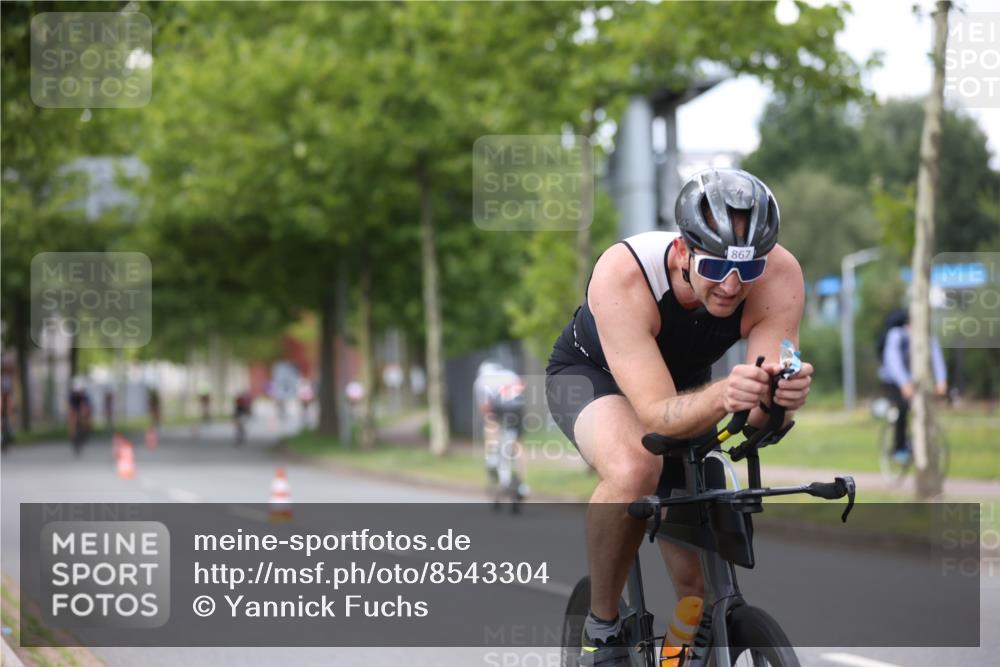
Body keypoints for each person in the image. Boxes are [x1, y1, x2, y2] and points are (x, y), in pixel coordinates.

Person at [545, 168, 813, 665]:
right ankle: (600, 629)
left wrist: (778, 399)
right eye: (714, 270)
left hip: (685, 385)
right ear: (682, 251)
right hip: (590, 375)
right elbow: (657, 417)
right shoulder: (623, 274)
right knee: (634, 468)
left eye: (748, 270)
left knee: (694, 585)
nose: (732, 287)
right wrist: (724, 395)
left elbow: (755, 420)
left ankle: (677, 656)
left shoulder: (779, 276)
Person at [877, 309, 948, 464]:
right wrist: (904, 383)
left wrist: (941, 381)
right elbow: (893, 361)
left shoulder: (928, 337)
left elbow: (936, 357)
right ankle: (899, 448)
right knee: (903, 407)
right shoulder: (896, 335)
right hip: (892, 380)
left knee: (925, 408)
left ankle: (921, 443)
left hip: (915, 380)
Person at [473, 361, 529, 498]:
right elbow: (522, 385)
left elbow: (485, 409)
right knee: (518, 442)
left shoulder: (480, 381)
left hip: (499, 405)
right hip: (516, 405)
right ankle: (522, 483)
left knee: (491, 424)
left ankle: (492, 458)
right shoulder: (510, 374)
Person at [67, 377, 93, 456]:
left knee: (84, 417)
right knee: (72, 420)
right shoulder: (72, 394)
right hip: (74, 407)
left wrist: (84, 413)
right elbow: (69, 405)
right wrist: (70, 413)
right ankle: (73, 437)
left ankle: (85, 431)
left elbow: (86, 406)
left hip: (82, 406)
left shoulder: (84, 395)